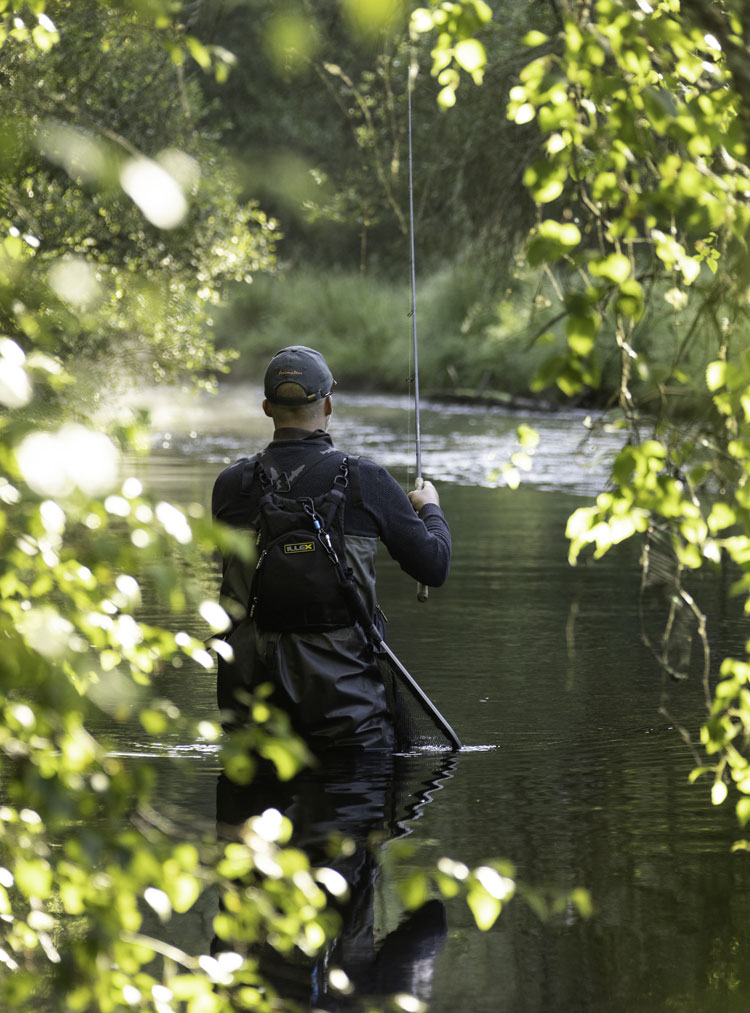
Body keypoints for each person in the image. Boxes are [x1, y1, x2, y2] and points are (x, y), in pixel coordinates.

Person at [211, 345, 451, 753]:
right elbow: (434, 566)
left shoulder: (231, 485)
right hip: (348, 715)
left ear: (267, 407)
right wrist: (430, 510)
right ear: (329, 404)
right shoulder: (366, 480)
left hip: (252, 708)